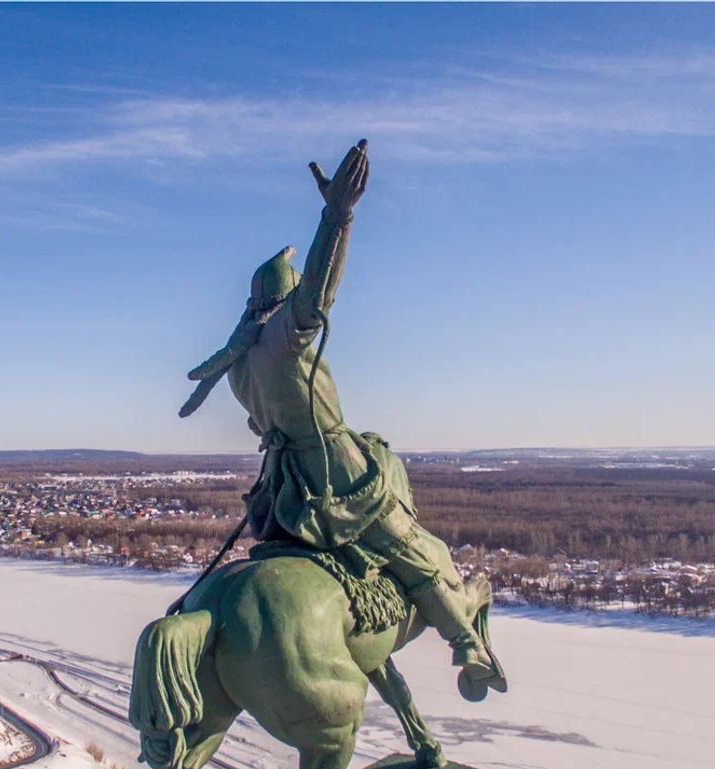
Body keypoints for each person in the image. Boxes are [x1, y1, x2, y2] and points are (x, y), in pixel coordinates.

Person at [179, 140, 505, 692]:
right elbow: (319, 293)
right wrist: (338, 215)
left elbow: (266, 421)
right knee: (422, 550)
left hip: (282, 489)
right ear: (280, 303)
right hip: (335, 474)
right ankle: (468, 647)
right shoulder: (281, 339)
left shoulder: (238, 364)